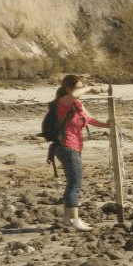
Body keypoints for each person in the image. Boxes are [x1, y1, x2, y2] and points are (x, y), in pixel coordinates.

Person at [50, 75, 111, 231]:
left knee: (72, 183)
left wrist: (108, 125)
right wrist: (90, 88)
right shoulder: (63, 102)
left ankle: (66, 218)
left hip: (74, 147)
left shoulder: (77, 104)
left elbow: (90, 120)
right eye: (79, 86)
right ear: (70, 89)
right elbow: (74, 95)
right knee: (75, 184)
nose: (82, 89)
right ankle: (75, 220)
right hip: (67, 147)